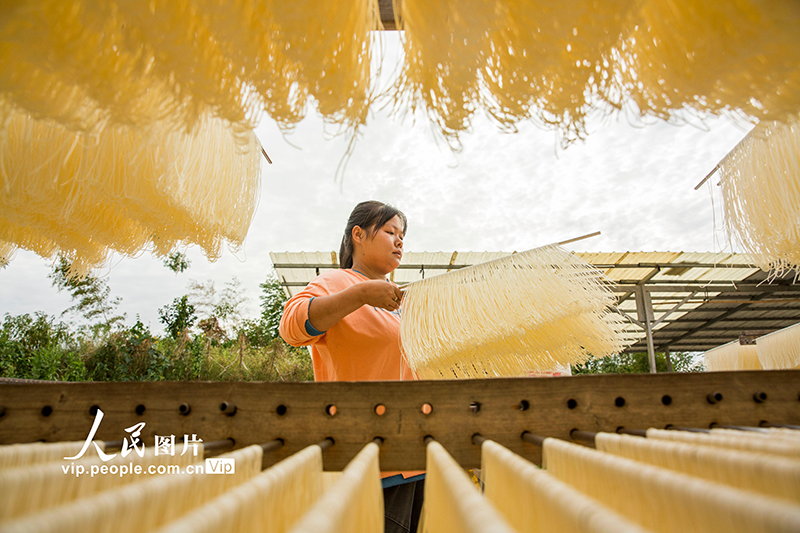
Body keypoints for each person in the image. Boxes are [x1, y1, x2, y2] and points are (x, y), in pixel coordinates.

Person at [279, 200, 424, 533]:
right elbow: (291, 327)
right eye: (390, 231)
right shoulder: (335, 282)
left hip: (417, 452)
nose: (399, 241)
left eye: (402, 236)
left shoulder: (403, 305)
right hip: (371, 457)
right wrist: (359, 295)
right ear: (358, 234)